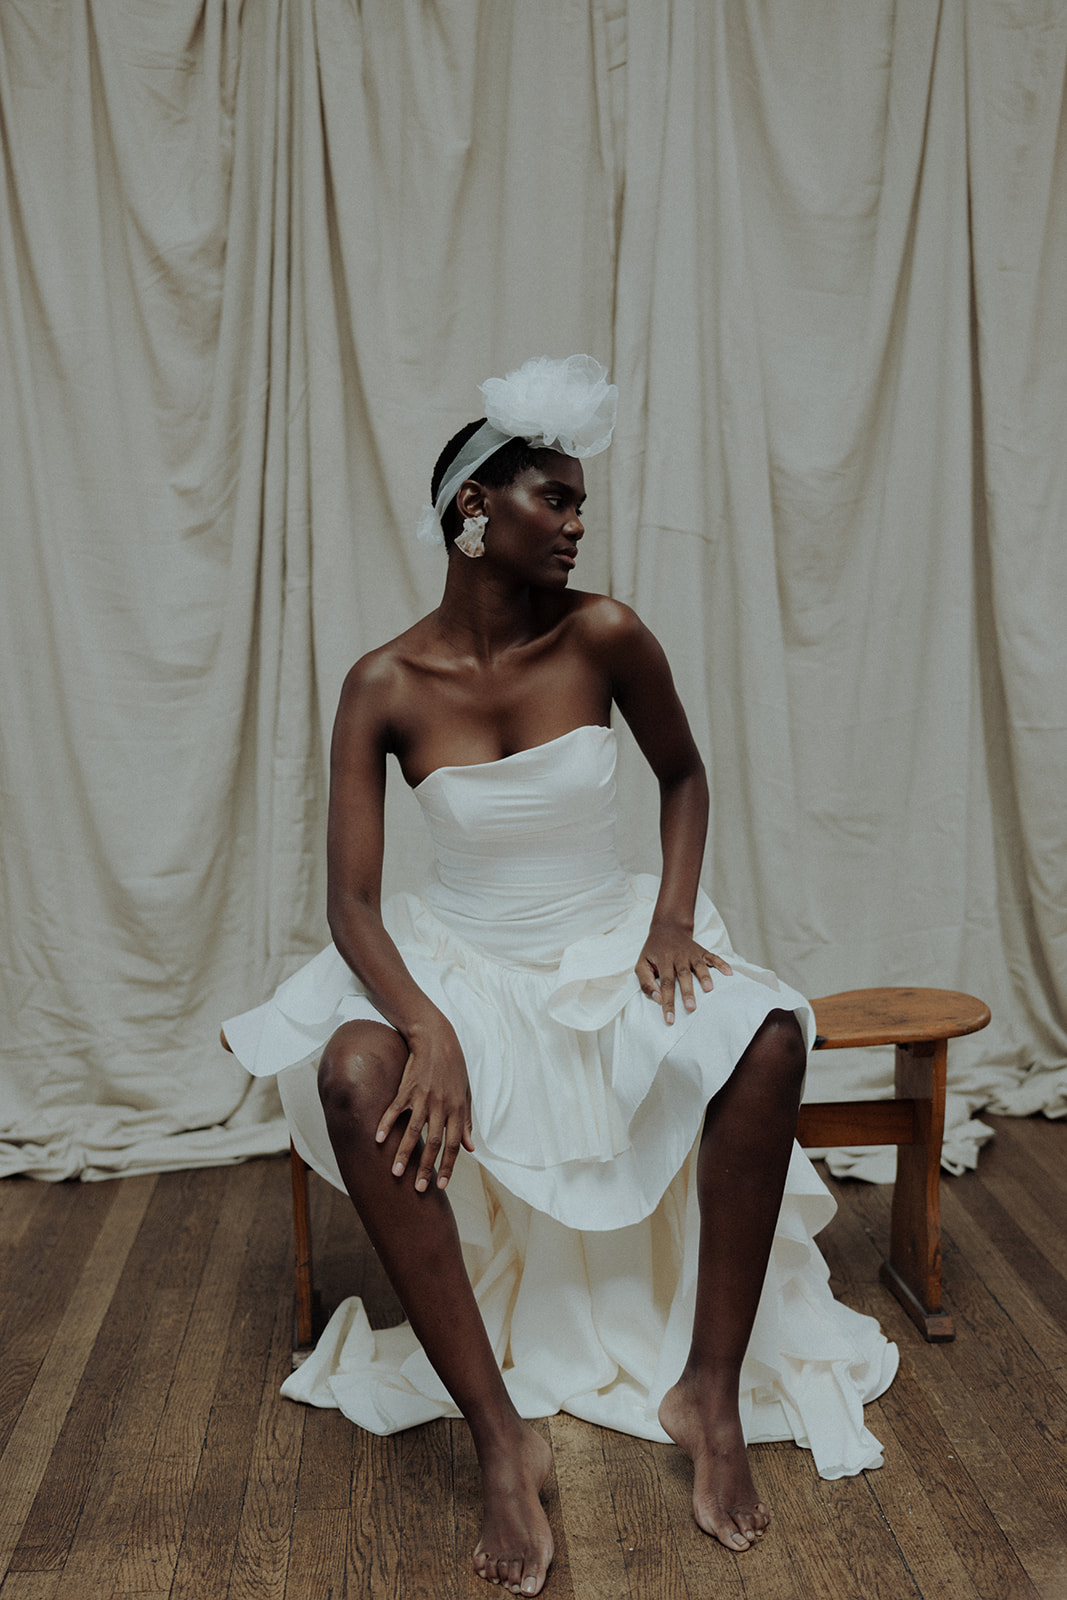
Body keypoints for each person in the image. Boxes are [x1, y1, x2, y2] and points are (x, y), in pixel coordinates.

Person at [224, 355, 896, 1597]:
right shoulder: (382, 681)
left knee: (763, 1038)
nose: (578, 524)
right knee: (350, 1066)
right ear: (475, 506)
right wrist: (425, 1024)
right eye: (555, 499)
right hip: (462, 959)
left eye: (581, 504)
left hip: (602, 938)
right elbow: (352, 904)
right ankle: (499, 1435)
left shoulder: (604, 634)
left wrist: (671, 918)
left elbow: (684, 777)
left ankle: (707, 1391)